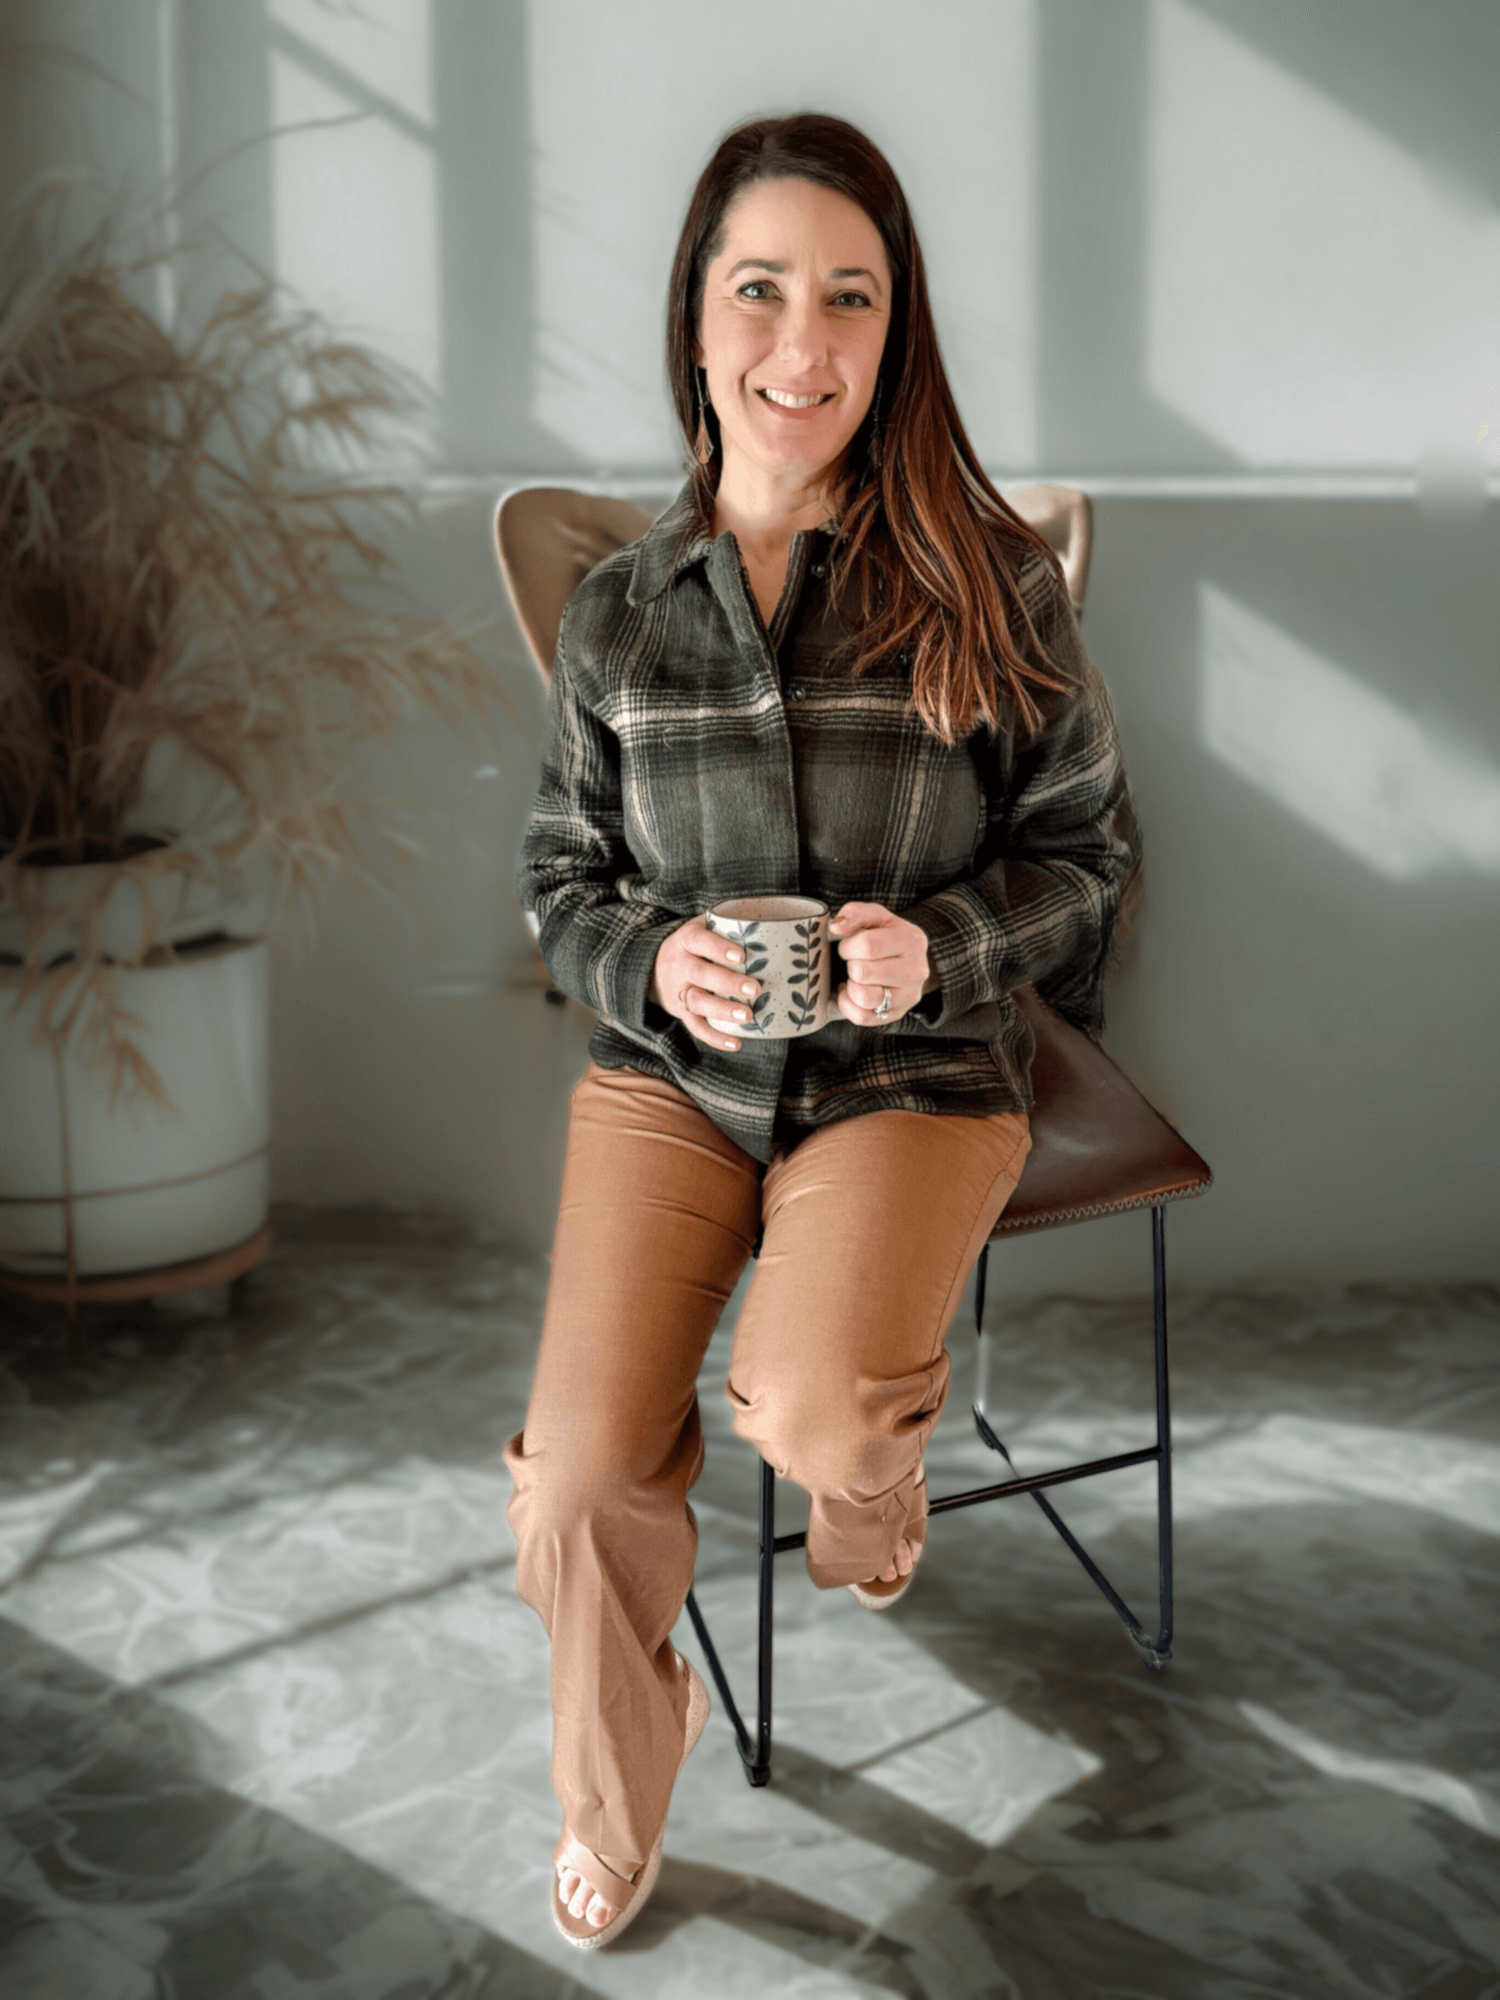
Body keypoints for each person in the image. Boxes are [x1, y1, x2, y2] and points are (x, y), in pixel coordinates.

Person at [505, 112, 1141, 1948]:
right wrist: (651, 966)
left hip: (914, 1076)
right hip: (675, 1093)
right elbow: (562, 877)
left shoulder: (987, 578)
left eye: (849, 297)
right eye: (761, 289)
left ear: (897, 328)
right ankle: (617, 1793)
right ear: (698, 323)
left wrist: (933, 947)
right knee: (578, 1480)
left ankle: (879, 1491)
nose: (805, 341)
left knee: (819, 1405)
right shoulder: (621, 615)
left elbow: (1089, 852)